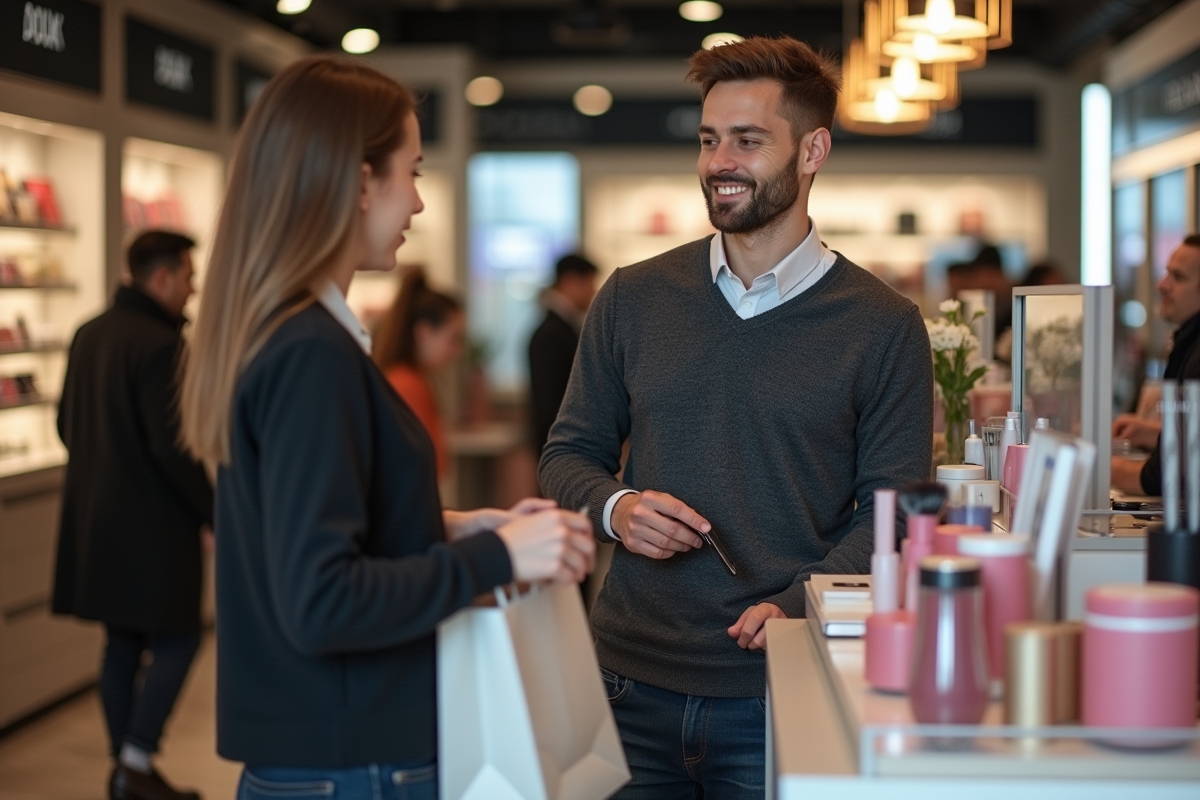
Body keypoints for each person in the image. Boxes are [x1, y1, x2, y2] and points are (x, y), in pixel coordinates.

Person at [176, 56, 594, 800]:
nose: (419, 204)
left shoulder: (293, 339)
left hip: (330, 756)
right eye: (413, 172)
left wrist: (459, 529)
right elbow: (323, 599)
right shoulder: (311, 354)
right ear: (359, 179)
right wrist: (497, 557)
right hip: (353, 762)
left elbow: (311, 538)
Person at [539, 36, 933, 799]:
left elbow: (893, 515)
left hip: (781, 688)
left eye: (748, 141)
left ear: (813, 149)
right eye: (709, 139)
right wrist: (617, 509)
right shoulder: (632, 296)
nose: (719, 161)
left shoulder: (883, 326)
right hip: (624, 683)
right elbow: (566, 455)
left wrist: (797, 603)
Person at [52, 230, 212, 800]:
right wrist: (211, 511)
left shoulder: (88, 334)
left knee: (120, 642)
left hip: (96, 519)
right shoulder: (160, 344)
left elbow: (65, 424)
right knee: (178, 638)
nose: (193, 289)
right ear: (162, 277)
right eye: (189, 276)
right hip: (154, 526)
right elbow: (173, 447)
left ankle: (127, 772)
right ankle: (136, 762)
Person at [1113, 235, 1200, 494]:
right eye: (1166, 273)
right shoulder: (1188, 342)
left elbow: (1164, 477)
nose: (1162, 285)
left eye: (1179, 277)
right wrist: (1154, 433)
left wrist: (1104, 466)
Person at [373, 268, 465, 476]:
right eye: (453, 339)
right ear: (424, 332)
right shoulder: (406, 385)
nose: (458, 351)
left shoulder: (409, 380)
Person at [528, 253, 599, 458]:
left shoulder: (561, 327)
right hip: (561, 450)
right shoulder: (552, 333)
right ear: (570, 281)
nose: (593, 292)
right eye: (589, 283)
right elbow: (552, 404)